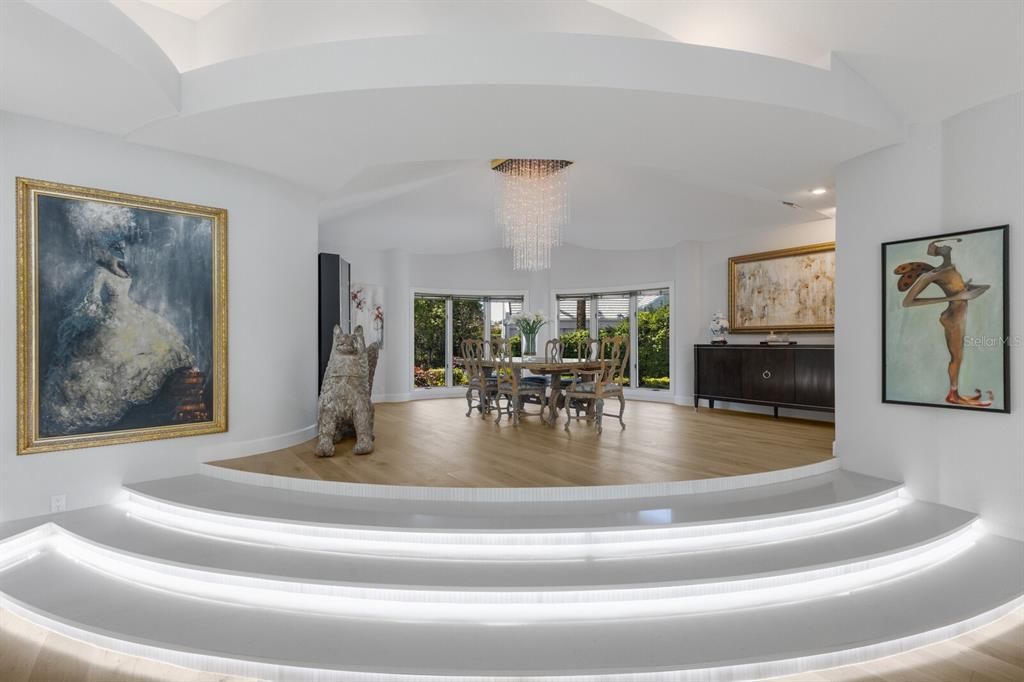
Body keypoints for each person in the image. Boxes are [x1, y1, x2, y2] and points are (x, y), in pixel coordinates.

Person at [895, 238, 992, 407]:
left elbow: (955, 288)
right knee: (957, 357)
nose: (948, 244)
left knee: (958, 357)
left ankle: (955, 393)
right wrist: (953, 297)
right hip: (953, 318)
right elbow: (908, 302)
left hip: (959, 316)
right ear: (939, 251)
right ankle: (953, 395)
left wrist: (966, 288)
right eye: (941, 244)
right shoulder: (933, 275)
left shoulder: (950, 269)